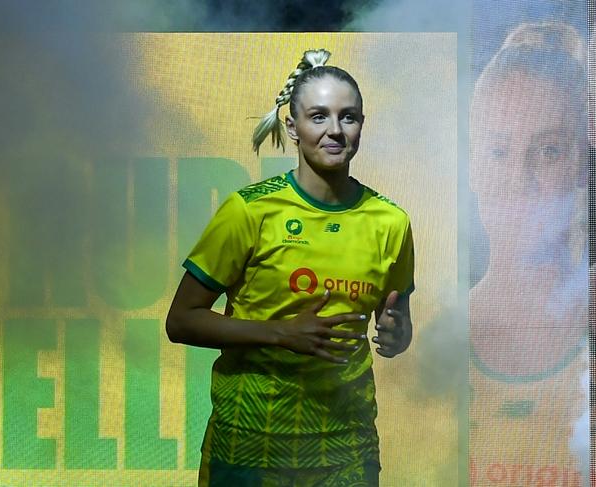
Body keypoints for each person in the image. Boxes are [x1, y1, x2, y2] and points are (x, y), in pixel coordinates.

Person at [166, 49, 415, 486]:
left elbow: (394, 323)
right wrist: (281, 333)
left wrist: (397, 335)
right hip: (249, 445)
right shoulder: (249, 211)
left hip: (347, 450)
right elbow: (181, 321)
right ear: (292, 127)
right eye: (318, 116)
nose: (335, 130)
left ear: (361, 124)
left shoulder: (391, 222)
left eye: (348, 117)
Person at [469, 22, 589, 484]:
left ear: (581, 162)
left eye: (549, 150)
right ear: (473, 166)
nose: (519, 180)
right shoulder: (421, 337)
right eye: (499, 151)